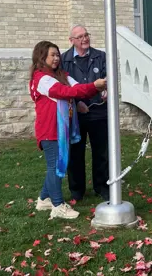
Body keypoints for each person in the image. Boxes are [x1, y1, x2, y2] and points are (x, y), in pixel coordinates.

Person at [30, 41, 107, 219]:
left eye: (58, 55)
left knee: (57, 164)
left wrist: (91, 88)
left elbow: (76, 88)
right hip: (50, 129)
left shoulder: (61, 75)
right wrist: (94, 86)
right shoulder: (41, 78)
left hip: (61, 129)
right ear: (42, 57)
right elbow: (63, 92)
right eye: (52, 55)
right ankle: (57, 205)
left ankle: (44, 199)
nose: (57, 58)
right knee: (55, 166)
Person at [61, 25, 110, 201]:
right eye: (80, 36)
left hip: (99, 112)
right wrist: (76, 101)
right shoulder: (63, 60)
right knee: (75, 153)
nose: (85, 39)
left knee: (102, 152)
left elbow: (108, 77)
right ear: (72, 41)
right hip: (76, 114)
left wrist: (106, 90)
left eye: (86, 35)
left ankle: (102, 186)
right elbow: (63, 86)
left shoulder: (101, 57)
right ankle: (76, 190)